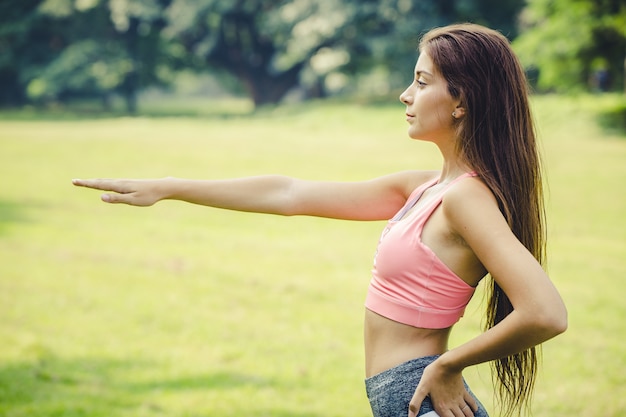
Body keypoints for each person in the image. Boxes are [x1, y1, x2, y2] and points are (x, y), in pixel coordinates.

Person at [73, 23, 567, 417]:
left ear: (461, 100)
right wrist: (170, 187)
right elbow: (289, 192)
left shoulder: (466, 200)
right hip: (400, 394)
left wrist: (450, 363)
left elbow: (545, 312)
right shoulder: (422, 189)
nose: (405, 95)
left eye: (421, 81)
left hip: (419, 397)